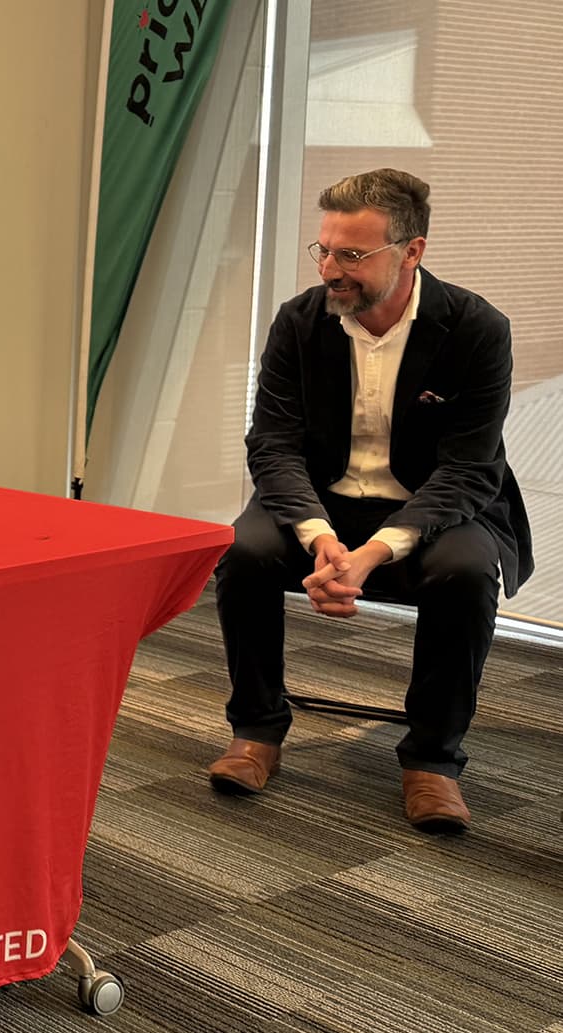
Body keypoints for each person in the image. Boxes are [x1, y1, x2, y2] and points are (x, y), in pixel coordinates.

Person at [209, 169, 532, 832]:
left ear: (411, 251)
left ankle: (433, 761)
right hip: (324, 499)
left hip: (435, 504)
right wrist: (324, 542)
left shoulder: (475, 329)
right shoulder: (300, 322)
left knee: (468, 571)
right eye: (323, 250)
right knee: (242, 551)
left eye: (352, 255)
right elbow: (272, 445)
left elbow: (468, 471)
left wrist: (376, 552)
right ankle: (257, 728)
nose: (331, 268)